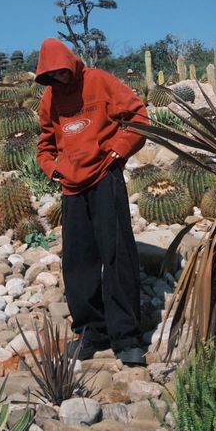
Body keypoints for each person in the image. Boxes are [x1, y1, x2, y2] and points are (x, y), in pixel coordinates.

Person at [35, 37, 147, 365]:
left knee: (117, 255)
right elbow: (45, 144)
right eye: (51, 76)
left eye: (61, 73)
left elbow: (139, 116)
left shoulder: (99, 81)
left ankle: (126, 338)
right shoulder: (50, 99)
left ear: (70, 63)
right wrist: (54, 170)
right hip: (71, 187)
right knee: (77, 261)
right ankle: (90, 332)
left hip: (104, 177)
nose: (59, 79)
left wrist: (118, 150)